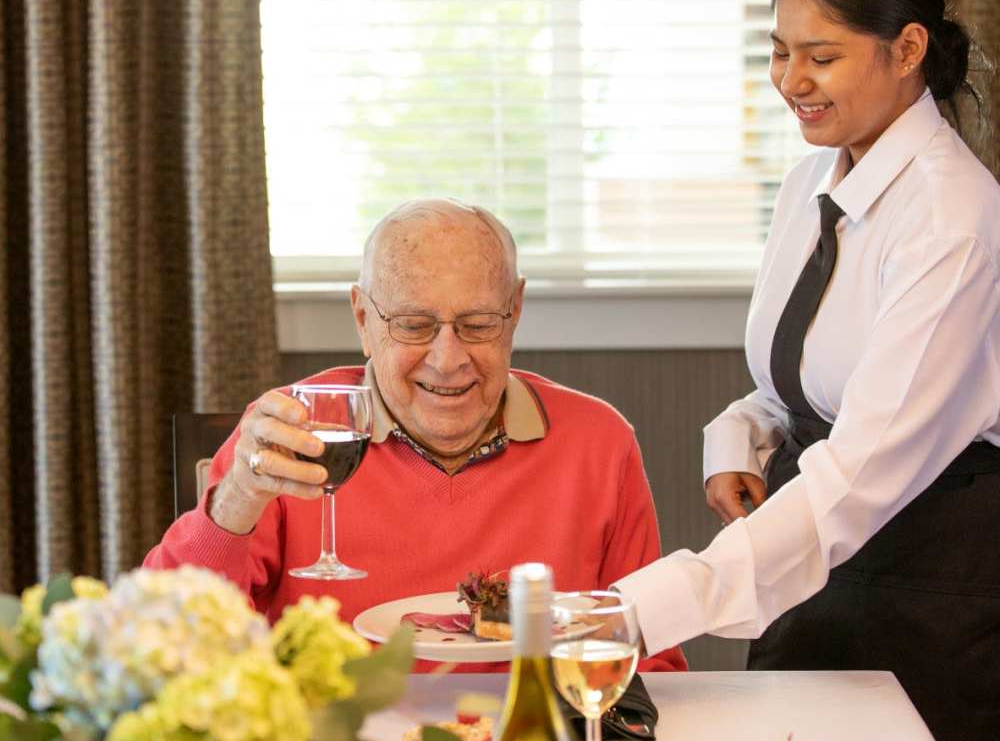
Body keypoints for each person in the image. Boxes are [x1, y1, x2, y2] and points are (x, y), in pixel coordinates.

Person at [615, 0, 1000, 741]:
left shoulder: (956, 222)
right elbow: (809, 385)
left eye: (820, 56)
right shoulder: (811, 183)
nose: (791, 81)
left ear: (908, 49)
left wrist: (640, 612)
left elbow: (859, 471)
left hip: (930, 593)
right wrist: (739, 436)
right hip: (815, 573)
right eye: (780, 52)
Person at [147, 198, 686, 673]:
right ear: (363, 318)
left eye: (477, 324)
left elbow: (650, 660)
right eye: (412, 325)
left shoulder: (599, 442)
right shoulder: (291, 432)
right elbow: (168, 636)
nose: (448, 360)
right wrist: (236, 502)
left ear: (515, 311)